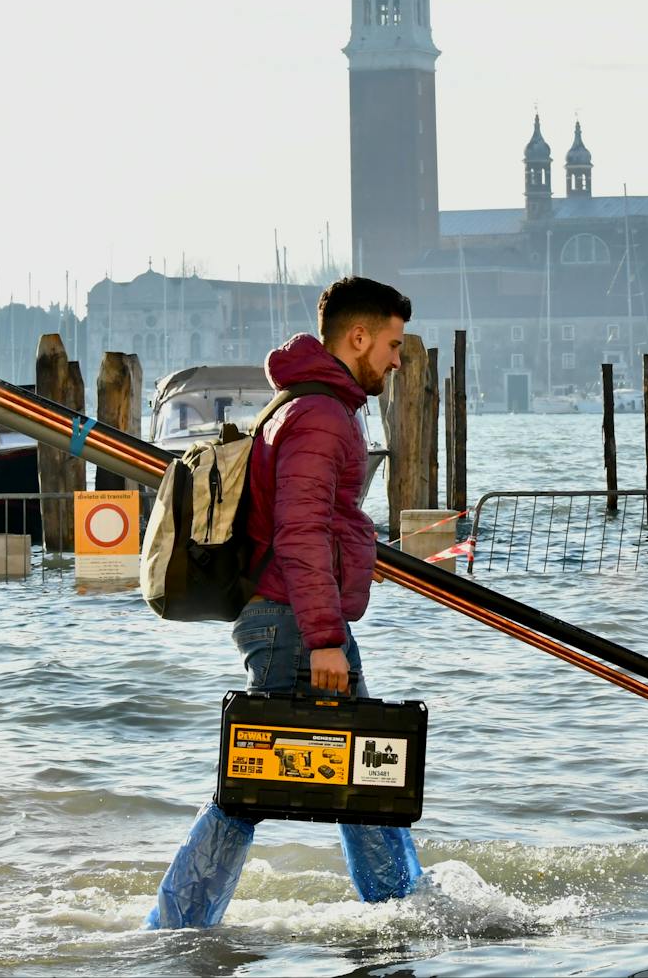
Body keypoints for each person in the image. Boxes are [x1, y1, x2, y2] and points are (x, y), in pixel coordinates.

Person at [146, 276, 422, 929]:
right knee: (249, 789)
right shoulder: (321, 415)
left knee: (365, 768)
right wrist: (324, 635)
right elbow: (299, 531)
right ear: (357, 337)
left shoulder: (305, 404)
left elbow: (315, 524)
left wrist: (353, 565)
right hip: (295, 622)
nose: (397, 358)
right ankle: (177, 926)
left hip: (294, 613)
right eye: (392, 343)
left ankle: (402, 907)